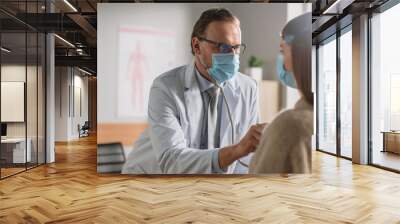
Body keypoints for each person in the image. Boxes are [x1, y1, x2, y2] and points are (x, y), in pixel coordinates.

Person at [122, 8, 265, 174]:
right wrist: (236, 151)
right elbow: (172, 160)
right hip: (149, 182)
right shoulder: (165, 88)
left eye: (236, 47)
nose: (233, 56)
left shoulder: (248, 88)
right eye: (223, 47)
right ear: (197, 46)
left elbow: (246, 160)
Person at [249, 12, 313, 174]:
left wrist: (274, 137)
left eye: (282, 50)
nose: (281, 59)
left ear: (299, 55)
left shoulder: (288, 124)